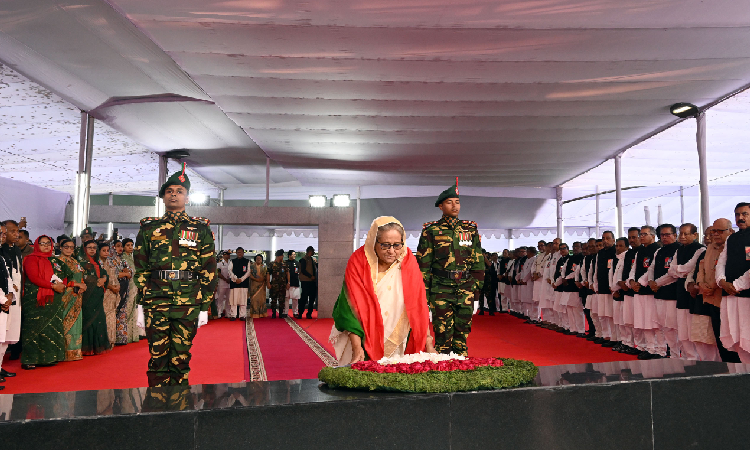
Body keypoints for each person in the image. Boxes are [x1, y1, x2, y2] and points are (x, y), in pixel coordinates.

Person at [133, 164, 217, 387]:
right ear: (163, 197)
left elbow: (209, 268)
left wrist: (204, 305)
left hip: (188, 300)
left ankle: (180, 405)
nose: (174, 194)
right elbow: (140, 266)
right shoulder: (149, 228)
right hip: (156, 299)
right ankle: (156, 406)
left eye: (179, 191)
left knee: (181, 357)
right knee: (157, 357)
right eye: (169, 191)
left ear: (187, 198)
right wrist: (141, 303)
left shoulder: (200, 228)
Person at [331, 217, 435, 364]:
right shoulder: (358, 262)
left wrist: (428, 343)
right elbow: (349, 309)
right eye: (385, 245)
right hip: (360, 337)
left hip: (399, 339)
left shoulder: (409, 262)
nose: (391, 251)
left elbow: (420, 307)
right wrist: (357, 347)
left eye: (397, 245)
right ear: (374, 242)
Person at [416, 182, 484, 355]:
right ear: (441, 206)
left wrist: (476, 288)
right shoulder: (431, 230)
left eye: (457, 202)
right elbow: (424, 264)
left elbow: (478, 260)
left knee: (463, 331)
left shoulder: (470, 229)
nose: (454, 206)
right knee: (442, 333)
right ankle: (443, 369)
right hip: (440, 287)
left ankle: (461, 366)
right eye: (449, 202)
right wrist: (424, 294)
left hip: (465, 286)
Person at [21, 236, 83, 369]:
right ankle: (30, 360)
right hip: (35, 300)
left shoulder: (55, 261)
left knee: (52, 328)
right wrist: (53, 286)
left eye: (48, 243)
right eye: (42, 244)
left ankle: (50, 358)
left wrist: (65, 285)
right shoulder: (31, 259)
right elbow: (33, 277)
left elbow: (67, 276)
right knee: (34, 328)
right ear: (37, 245)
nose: (46, 246)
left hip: (54, 300)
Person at [697, 219, 739, 362]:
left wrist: (713, 286)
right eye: (713, 231)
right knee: (719, 338)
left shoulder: (734, 247)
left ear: (731, 231)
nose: (715, 234)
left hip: (727, 299)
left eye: (720, 231)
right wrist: (700, 284)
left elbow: (729, 271)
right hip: (711, 300)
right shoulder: (710, 247)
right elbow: (702, 267)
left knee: (733, 339)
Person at [716, 202, 750, 362]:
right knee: (735, 337)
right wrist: (722, 282)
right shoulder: (732, 238)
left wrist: (736, 285)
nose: (740, 218)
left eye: (745, 214)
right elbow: (722, 262)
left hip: (746, 294)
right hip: (730, 294)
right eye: (737, 215)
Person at [669, 224, 705, 360]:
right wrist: (680, 272)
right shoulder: (679, 250)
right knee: (682, 330)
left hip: (692, 293)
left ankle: (695, 358)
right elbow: (671, 270)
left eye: (686, 234)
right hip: (680, 291)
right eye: (681, 233)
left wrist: (679, 271)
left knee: (692, 330)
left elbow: (689, 267)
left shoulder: (700, 249)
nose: (682, 236)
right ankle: (685, 357)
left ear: (695, 235)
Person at [647, 224, 682, 358]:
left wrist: (657, 283)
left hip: (673, 294)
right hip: (659, 293)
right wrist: (651, 281)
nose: (665, 237)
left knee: (675, 327)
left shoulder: (678, 249)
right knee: (664, 327)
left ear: (675, 235)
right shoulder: (659, 251)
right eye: (662, 235)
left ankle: (680, 355)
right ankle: (671, 354)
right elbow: (651, 268)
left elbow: (673, 273)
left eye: (668, 234)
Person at [629, 226, 661, 359]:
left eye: (644, 234)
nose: (641, 237)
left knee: (652, 322)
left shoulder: (657, 249)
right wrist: (631, 281)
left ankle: (657, 349)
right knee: (641, 321)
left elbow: (651, 270)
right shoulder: (640, 250)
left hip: (649, 290)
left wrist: (640, 283)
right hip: (638, 291)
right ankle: (646, 347)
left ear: (653, 236)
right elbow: (634, 268)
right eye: (640, 234)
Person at [79, 239, 110, 356]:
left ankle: (96, 347)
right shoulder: (80, 262)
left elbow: (104, 273)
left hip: (97, 297)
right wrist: (96, 280)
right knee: (88, 320)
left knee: (99, 319)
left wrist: (104, 279)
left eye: (94, 248)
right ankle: (87, 348)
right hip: (87, 297)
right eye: (89, 247)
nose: (92, 250)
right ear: (84, 249)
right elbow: (81, 277)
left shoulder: (96, 262)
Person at [57, 237, 86, 360]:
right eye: (66, 247)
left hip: (77, 296)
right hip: (65, 296)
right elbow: (57, 280)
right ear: (60, 248)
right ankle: (63, 352)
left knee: (77, 322)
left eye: (71, 247)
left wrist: (82, 285)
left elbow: (80, 276)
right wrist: (76, 284)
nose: (69, 249)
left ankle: (75, 351)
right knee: (65, 322)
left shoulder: (75, 261)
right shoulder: (58, 261)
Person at [0, 224, 20, 384]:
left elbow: (9, 276)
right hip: (2, 299)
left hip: (10, 297)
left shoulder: (10, 251)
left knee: (5, 337)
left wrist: (10, 295)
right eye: (2, 233)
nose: (4, 236)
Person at [1, 220, 23, 361]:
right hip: (4, 295)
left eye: (17, 231)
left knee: (9, 333)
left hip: (15, 295)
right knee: (2, 333)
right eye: (12, 231)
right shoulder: (1, 249)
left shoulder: (15, 248)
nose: (16, 234)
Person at [592, 231, 617, 347]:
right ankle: (606, 335)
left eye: (608, 238)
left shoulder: (615, 252)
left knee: (611, 315)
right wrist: (595, 284)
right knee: (602, 314)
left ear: (613, 240)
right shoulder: (600, 253)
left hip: (611, 287)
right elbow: (596, 270)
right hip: (601, 287)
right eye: (603, 238)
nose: (605, 240)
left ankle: (615, 337)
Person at [99, 243, 120, 348]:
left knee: (111, 316)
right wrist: (111, 287)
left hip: (112, 294)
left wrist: (117, 287)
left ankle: (111, 340)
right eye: (104, 250)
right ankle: (104, 341)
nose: (106, 253)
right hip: (103, 293)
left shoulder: (110, 262)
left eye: (107, 250)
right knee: (104, 317)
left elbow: (114, 276)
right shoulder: (97, 264)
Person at [121, 238, 140, 343]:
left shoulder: (131, 258)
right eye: (128, 245)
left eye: (131, 245)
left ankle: (132, 336)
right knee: (127, 310)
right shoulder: (123, 258)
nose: (130, 247)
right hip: (127, 287)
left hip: (134, 286)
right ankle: (124, 336)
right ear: (123, 247)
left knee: (133, 310)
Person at [228, 248, 250, 321]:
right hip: (234, 283)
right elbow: (229, 271)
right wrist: (235, 279)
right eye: (238, 252)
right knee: (233, 300)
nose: (239, 254)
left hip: (244, 283)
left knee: (243, 300)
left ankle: (242, 315)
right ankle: (233, 315)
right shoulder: (232, 261)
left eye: (241, 252)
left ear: (243, 253)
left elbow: (248, 272)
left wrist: (241, 279)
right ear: (236, 253)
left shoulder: (247, 261)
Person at [267, 249, 288, 319]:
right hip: (274, 284)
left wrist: (288, 282)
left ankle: (281, 313)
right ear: (278, 256)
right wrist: (268, 283)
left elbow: (288, 273)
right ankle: (273, 313)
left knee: (282, 299)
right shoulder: (272, 264)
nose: (283, 256)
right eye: (282, 255)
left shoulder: (284, 264)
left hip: (283, 285)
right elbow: (268, 274)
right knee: (273, 299)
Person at [299, 246, 317, 319]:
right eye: (312, 251)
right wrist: (310, 276)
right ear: (309, 251)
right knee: (304, 298)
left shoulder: (312, 259)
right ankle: (300, 313)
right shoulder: (303, 260)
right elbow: (303, 270)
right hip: (305, 281)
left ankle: (309, 313)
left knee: (312, 298)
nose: (313, 252)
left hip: (312, 282)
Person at [248, 254, 268, 319]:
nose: (258, 259)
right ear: (255, 259)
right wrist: (256, 279)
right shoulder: (251, 266)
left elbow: (266, 275)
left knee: (261, 299)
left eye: (260, 258)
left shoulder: (265, 267)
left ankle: (262, 314)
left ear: (262, 259)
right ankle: (254, 314)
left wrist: (263, 280)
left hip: (262, 285)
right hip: (254, 284)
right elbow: (250, 275)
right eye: (257, 258)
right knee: (254, 299)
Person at [215, 251, 231, 318]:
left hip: (229, 284)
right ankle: (219, 313)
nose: (228, 256)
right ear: (224, 255)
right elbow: (218, 273)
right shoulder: (219, 264)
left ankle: (228, 313)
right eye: (227, 254)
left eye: (229, 254)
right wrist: (225, 279)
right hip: (222, 283)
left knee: (228, 299)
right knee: (220, 299)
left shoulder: (231, 263)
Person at [286, 250, 302, 318]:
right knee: (286, 299)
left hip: (295, 283)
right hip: (287, 284)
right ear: (289, 255)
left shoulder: (297, 263)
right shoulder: (285, 263)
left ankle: (295, 312)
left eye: (295, 254)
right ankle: (285, 312)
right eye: (293, 254)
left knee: (295, 299)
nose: (294, 255)